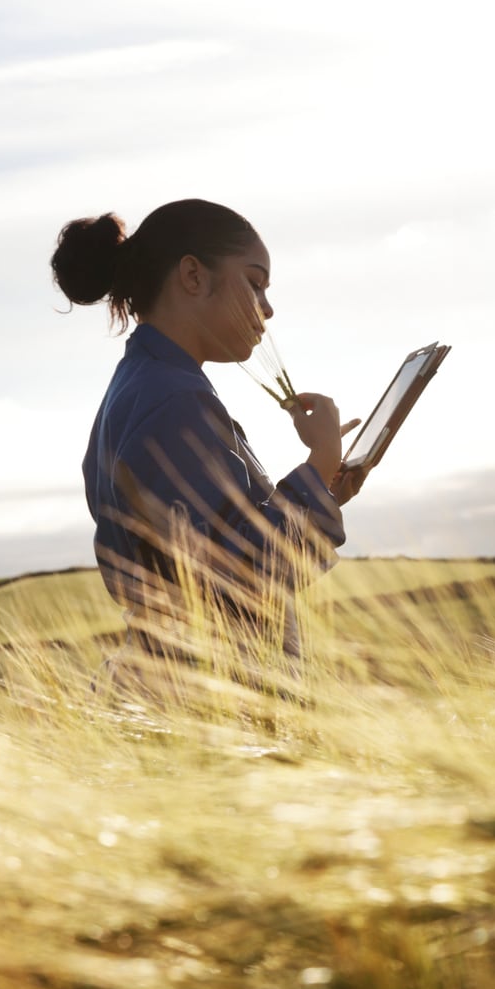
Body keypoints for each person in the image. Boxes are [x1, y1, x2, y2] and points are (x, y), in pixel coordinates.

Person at [51, 199, 358, 695]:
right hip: (203, 701)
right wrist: (318, 462)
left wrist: (323, 486)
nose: (268, 307)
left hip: (176, 688)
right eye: (255, 283)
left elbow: (210, 546)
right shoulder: (173, 398)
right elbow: (245, 578)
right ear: (192, 276)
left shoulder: (145, 385)